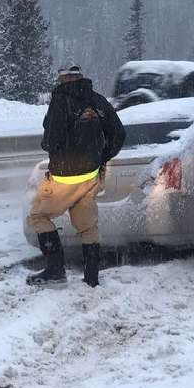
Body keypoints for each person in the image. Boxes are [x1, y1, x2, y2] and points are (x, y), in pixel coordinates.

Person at [26, 65, 125, 288]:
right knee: (88, 226)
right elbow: (118, 134)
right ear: (81, 78)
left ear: (63, 80)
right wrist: (102, 157)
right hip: (91, 175)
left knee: (38, 216)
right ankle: (92, 277)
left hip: (64, 177)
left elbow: (50, 140)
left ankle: (55, 270)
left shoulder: (61, 100)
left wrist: (55, 147)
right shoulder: (98, 101)